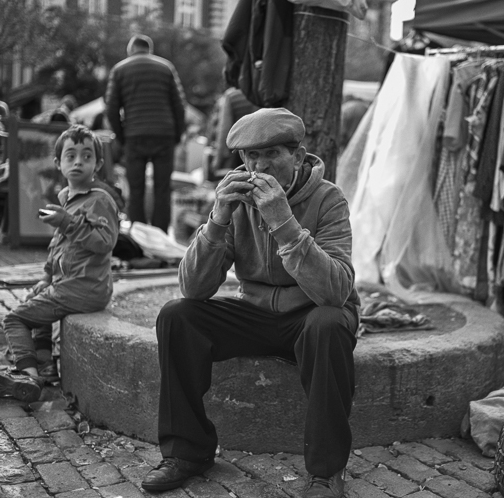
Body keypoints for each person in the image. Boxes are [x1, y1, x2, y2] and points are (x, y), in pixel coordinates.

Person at [143, 108, 359, 498]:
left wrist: (283, 221)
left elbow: (335, 292)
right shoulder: (237, 199)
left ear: (297, 155)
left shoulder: (328, 199)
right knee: (177, 316)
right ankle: (187, 453)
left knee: (328, 323)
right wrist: (218, 219)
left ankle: (327, 472)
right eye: (251, 156)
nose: (259, 166)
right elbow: (193, 288)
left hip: (311, 314)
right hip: (257, 314)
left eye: (272, 154)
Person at [0, 125, 120, 403]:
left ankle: (27, 376)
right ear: (58, 163)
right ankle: (45, 365)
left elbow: (105, 242)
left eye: (86, 156)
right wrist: (46, 277)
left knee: (14, 319)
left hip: (82, 288)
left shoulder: (100, 200)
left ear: (98, 164)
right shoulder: (67, 199)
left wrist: (66, 222)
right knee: (37, 299)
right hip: (74, 285)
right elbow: (59, 246)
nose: (78, 162)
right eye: (71, 156)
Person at [105, 34, 186, 232]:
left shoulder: (119, 70)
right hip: (164, 135)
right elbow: (179, 106)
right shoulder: (166, 67)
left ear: (131, 50)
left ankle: (139, 236)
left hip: (134, 136)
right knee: (162, 189)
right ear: (149, 49)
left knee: (136, 190)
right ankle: (160, 235)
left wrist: (122, 136)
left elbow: (111, 108)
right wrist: (177, 135)